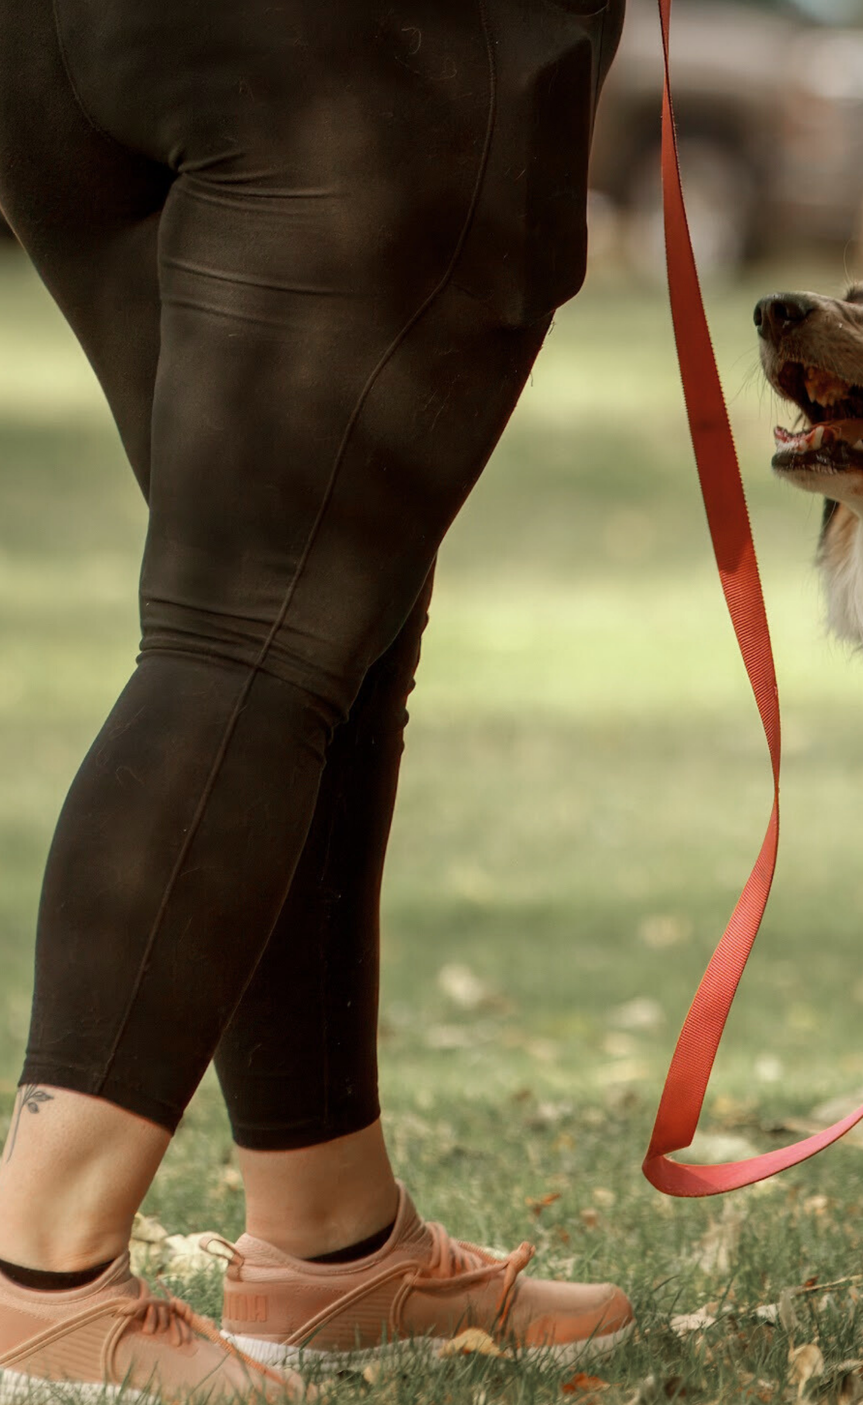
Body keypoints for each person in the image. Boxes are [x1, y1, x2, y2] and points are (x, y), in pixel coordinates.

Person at [0, 1, 637, 1396]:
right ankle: (41, 1279)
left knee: (325, 608)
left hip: (61, 47)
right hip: (360, 47)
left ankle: (329, 1244)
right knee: (257, 635)